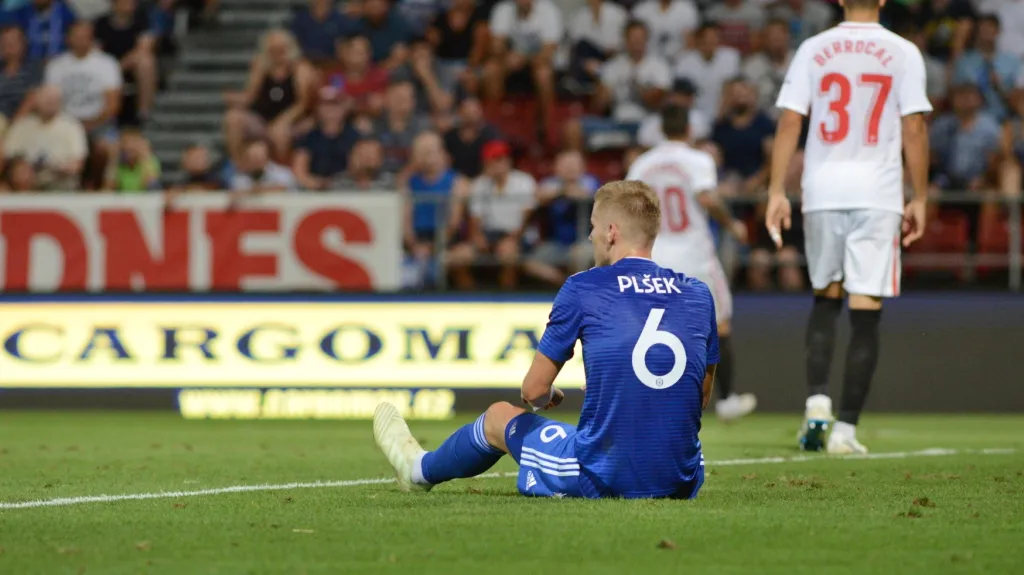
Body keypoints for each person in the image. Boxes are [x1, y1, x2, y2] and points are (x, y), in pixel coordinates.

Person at [373, 179, 718, 500]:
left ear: (612, 232)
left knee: (498, 416)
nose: (590, 236)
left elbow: (532, 391)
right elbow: (698, 395)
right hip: (682, 478)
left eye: (594, 227)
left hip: (604, 475)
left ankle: (417, 470)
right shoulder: (699, 294)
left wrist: (548, 395)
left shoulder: (585, 287)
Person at [766, 0, 931, 454]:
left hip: (822, 190)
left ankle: (818, 400)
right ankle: (846, 430)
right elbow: (914, 128)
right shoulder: (903, 51)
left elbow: (789, 122)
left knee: (826, 295)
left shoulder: (814, 49)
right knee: (865, 307)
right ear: (881, 0)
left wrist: (776, 190)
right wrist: (920, 195)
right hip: (877, 193)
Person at [626, 104, 755, 422]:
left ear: (660, 131)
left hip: (654, 255)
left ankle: (638, 399)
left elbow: (628, 204)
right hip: (694, 255)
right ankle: (726, 400)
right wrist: (732, 225)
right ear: (689, 130)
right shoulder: (698, 160)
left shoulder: (643, 164)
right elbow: (707, 198)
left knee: (651, 327)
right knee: (719, 324)